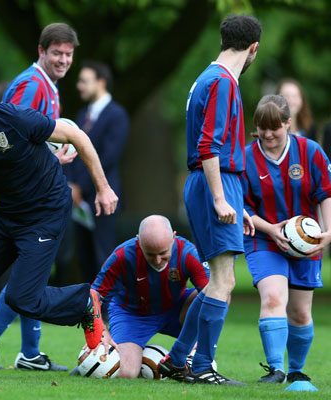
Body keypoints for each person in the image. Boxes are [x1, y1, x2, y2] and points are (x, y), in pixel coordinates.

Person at [0, 63, 118, 377]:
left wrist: (102, 187)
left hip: (44, 212)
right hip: (3, 215)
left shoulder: (13, 118)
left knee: (23, 297)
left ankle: (84, 302)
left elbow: (76, 134)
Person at [158, 14, 260, 385]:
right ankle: (201, 368)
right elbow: (208, 146)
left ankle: (177, 359)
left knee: (218, 280)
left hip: (213, 183)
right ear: (253, 49)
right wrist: (221, 198)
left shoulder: (206, 77)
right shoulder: (222, 82)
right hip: (212, 182)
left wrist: (238, 202)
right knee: (223, 281)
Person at [0, 22, 79, 372]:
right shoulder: (30, 84)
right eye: (57, 53)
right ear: (41, 51)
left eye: (68, 54)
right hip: (23, 198)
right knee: (25, 279)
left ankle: (30, 353)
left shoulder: (47, 85)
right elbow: (10, 137)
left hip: (31, 194)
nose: (63, 60)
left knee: (32, 276)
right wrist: (51, 159)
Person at [242, 94, 331, 385]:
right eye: (261, 127)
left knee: (301, 312)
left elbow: (326, 193)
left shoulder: (311, 152)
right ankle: (275, 370)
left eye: (274, 127)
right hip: (264, 239)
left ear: (289, 123)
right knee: (274, 297)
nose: (267, 133)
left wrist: (327, 233)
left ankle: (296, 369)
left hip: (307, 242)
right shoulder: (245, 158)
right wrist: (270, 230)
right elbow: (240, 207)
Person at [77, 215, 209, 378]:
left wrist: (202, 332)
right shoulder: (123, 255)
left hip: (177, 309)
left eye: (163, 253)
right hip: (132, 315)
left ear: (173, 238)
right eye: (151, 254)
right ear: (138, 241)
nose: (158, 260)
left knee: (210, 292)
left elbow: (214, 294)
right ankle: (93, 363)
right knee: (126, 373)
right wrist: (101, 331)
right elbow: (94, 296)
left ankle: (178, 352)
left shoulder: (188, 253)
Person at [68, 60, 130, 284]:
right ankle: (90, 310)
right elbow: (71, 151)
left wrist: (79, 186)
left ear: (101, 82)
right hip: (79, 202)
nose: (79, 86)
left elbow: (108, 158)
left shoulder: (117, 115)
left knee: (104, 256)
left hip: (104, 199)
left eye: (84, 81)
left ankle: (108, 311)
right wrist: (70, 184)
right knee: (84, 258)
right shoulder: (82, 115)